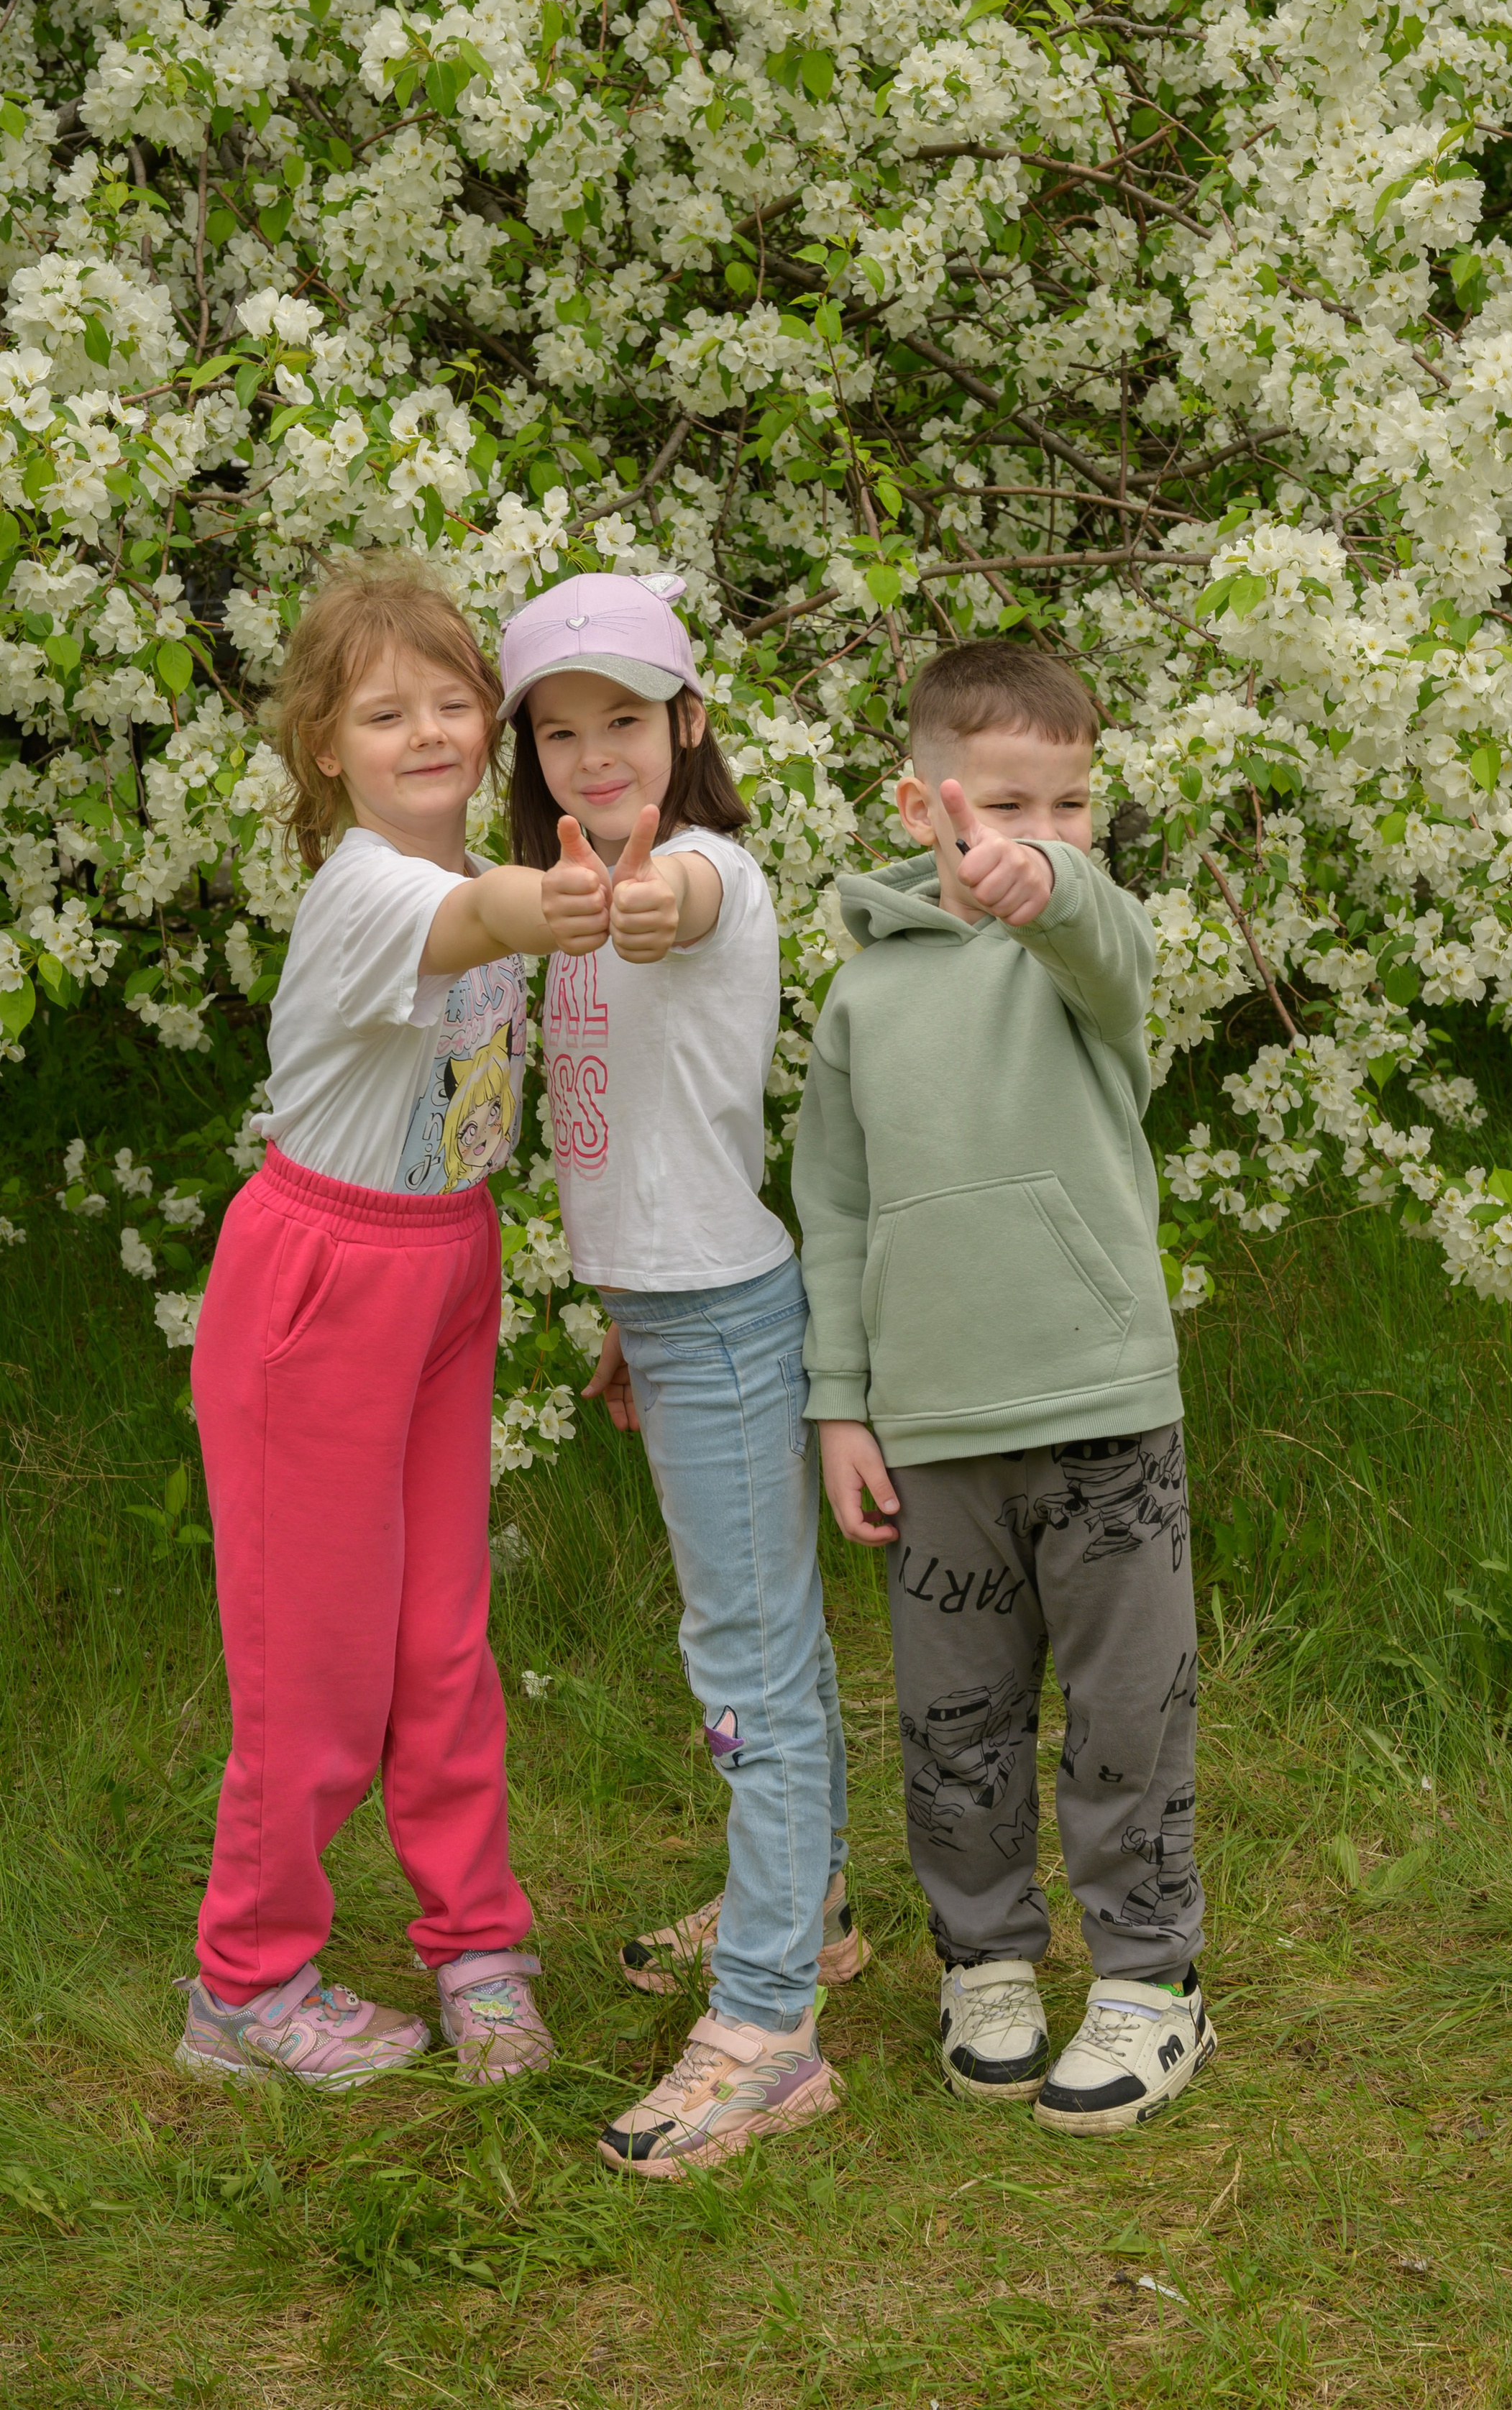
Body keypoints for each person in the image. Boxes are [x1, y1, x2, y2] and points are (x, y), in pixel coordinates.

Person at [178, 562, 611, 2090]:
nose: (425, 729)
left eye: (450, 700)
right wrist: (542, 905)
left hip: (445, 1265)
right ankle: (245, 1982)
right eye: (383, 712)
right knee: (317, 1664)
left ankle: (475, 1945)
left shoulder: (474, 866)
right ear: (325, 746)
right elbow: (484, 911)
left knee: (441, 1641)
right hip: (322, 1286)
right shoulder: (373, 888)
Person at [792, 639, 1213, 2138]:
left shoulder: (1094, 955)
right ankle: (984, 1961)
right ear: (924, 803)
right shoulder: (858, 1002)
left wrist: (1056, 892)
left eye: (1072, 805)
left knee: (1123, 1715)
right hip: (932, 1430)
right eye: (1003, 804)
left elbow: (1092, 931)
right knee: (951, 1721)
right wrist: (838, 1403)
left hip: (1100, 1408)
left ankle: (1151, 1978)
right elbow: (832, 1211)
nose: (1038, 835)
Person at [500, 569, 859, 2178]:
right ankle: (814, 1897)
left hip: (722, 1317)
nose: (594, 757)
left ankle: (768, 2026)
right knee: (752, 1639)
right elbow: (637, 1133)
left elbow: (682, 910)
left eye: (624, 723)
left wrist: (642, 895)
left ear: (687, 725)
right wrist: (626, 1321)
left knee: (747, 1661)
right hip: (678, 1313)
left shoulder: (699, 868)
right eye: (560, 732)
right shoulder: (559, 881)